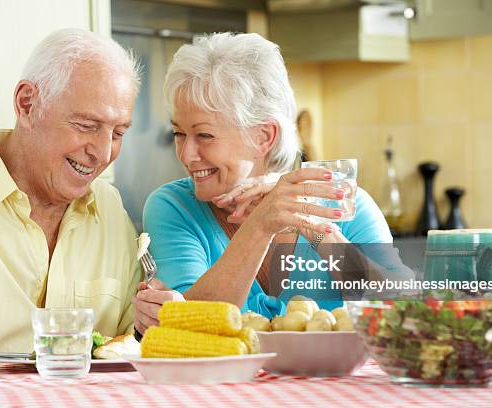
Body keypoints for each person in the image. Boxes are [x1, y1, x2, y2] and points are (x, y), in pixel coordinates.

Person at [132, 33, 412, 335]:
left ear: (264, 136)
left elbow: (406, 317)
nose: (186, 154)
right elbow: (192, 326)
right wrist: (260, 226)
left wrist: (315, 230)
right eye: (178, 134)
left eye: (204, 136)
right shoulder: (173, 207)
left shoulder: (343, 205)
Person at [0, 28, 142, 378]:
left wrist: (152, 323)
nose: (104, 152)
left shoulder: (109, 208)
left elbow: (130, 346)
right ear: (27, 104)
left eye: (119, 132)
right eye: (86, 125)